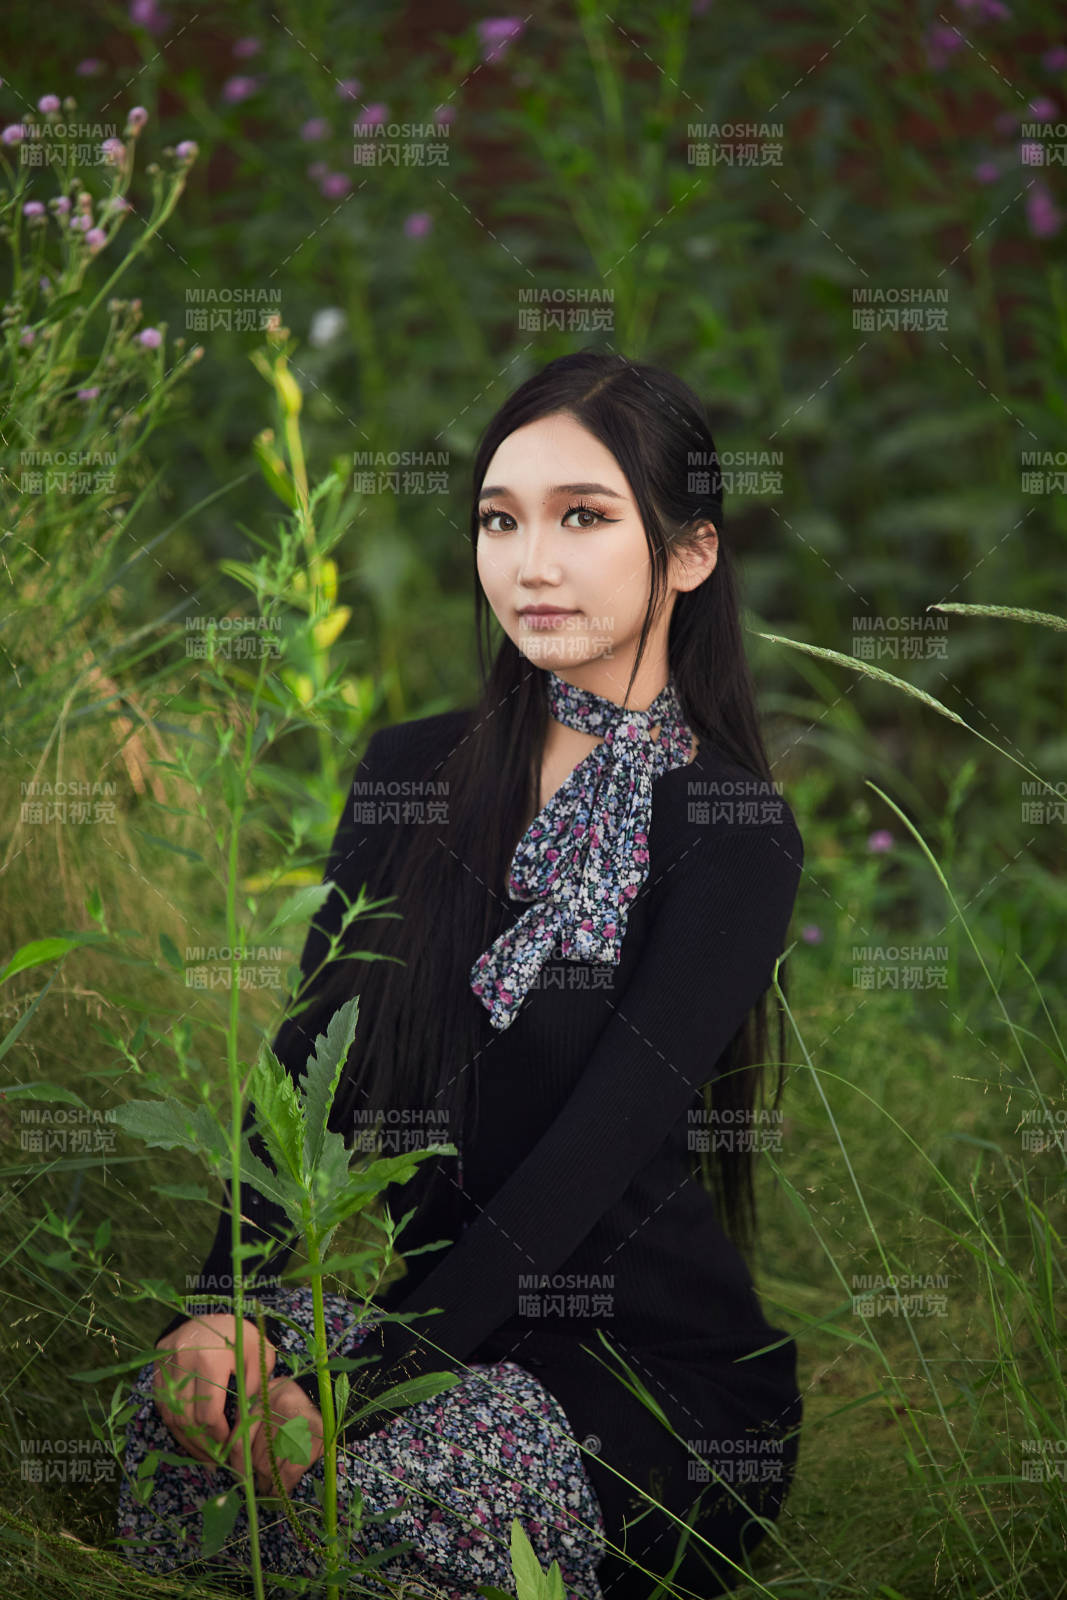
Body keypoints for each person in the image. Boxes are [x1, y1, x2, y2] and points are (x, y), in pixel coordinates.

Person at [115, 349, 806, 1600]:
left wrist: (367, 1397)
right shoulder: (414, 769)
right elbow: (307, 1065)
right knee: (168, 1443)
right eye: (500, 520)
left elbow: (587, 1157)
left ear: (689, 552)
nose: (528, 563)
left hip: (647, 1378)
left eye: (582, 517)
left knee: (375, 1506)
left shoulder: (728, 829)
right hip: (444, 1321)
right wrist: (225, 1301)